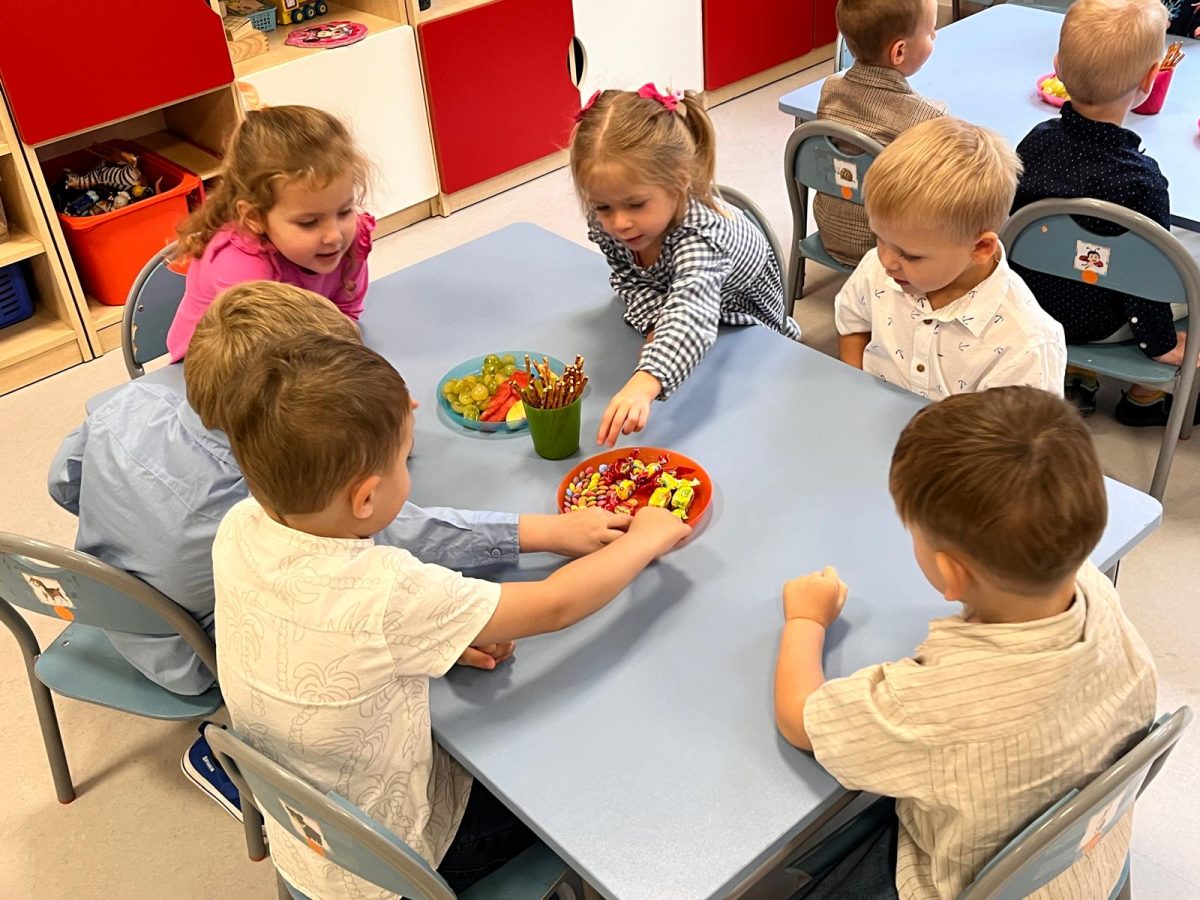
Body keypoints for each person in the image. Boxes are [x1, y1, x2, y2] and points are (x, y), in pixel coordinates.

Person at [213, 333, 690, 896]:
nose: (408, 470)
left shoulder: (240, 524)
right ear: (365, 500)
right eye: (404, 460)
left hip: (304, 830)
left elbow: (329, 633)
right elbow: (555, 604)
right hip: (400, 864)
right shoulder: (389, 593)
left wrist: (433, 634)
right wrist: (644, 540)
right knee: (580, 774)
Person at [48, 282, 631, 698]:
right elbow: (405, 539)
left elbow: (62, 483)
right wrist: (544, 531)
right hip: (201, 658)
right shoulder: (253, 515)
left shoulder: (129, 404)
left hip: (103, 603)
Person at [774, 386, 1157, 899]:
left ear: (952, 572)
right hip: (1088, 854)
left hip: (976, 883)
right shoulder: (1094, 589)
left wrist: (806, 619)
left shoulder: (929, 705)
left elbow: (799, 721)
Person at [570, 83, 801, 446]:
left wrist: (646, 380)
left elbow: (692, 314)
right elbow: (630, 280)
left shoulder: (701, 237)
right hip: (683, 315)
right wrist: (655, 322)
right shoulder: (610, 224)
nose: (619, 223)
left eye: (635, 204)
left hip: (747, 322)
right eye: (603, 207)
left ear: (679, 183)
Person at [1012, 0, 1186, 424]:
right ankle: (1144, 397)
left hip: (1031, 306)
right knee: (1185, 268)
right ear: (1150, 80)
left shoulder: (1034, 143)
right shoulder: (1143, 181)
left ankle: (1077, 376)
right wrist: (1161, 345)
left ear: (1057, 66)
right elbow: (1146, 280)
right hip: (1100, 324)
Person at [834, 117, 1066, 399]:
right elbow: (852, 325)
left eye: (911, 256)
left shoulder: (1026, 344)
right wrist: (856, 391)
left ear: (980, 247)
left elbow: (1018, 426)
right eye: (880, 238)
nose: (887, 261)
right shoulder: (877, 268)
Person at [165, 106, 374, 360]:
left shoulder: (350, 244)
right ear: (255, 217)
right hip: (220, 362)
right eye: (309, 222)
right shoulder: (239, 266)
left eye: (344, 211)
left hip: (297, 348)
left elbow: (346, 314)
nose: (335, 236)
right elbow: (264, 357)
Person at [813, 0, 946, 266]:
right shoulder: (928, 116)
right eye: (930, 32)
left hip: (830, 233)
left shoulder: (830, 89)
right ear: (899, 52)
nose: (935, 36)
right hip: (890, 250)